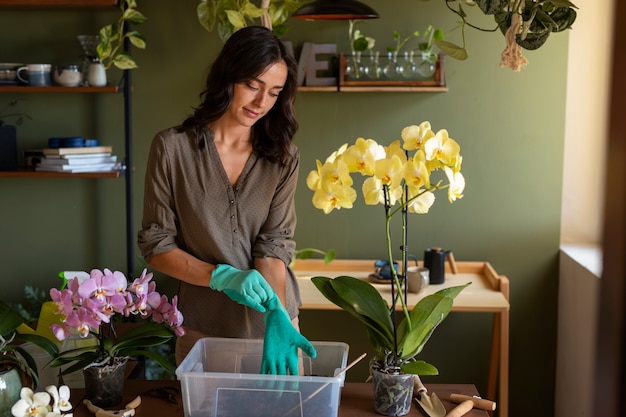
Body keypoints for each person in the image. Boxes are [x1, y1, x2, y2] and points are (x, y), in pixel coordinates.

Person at [137, 26, 316, 375]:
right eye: (253, 85)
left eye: (274, 92)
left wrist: (277, 315)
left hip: (277, 331)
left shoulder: (282, 157)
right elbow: (156, 245)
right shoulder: (172, 149)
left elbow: (273, 245)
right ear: (228, 77)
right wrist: (222, 276)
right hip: (206, 330)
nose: (261, 103)